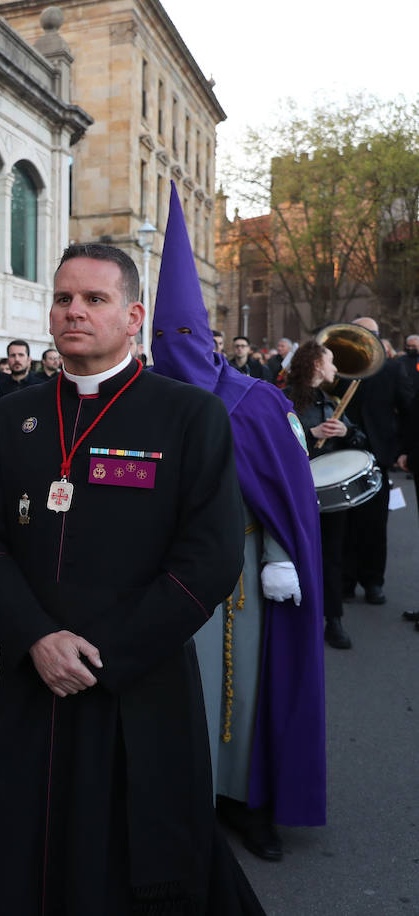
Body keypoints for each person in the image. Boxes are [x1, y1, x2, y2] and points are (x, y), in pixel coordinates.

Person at [0, 243, 263, 914]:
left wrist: (102, 652)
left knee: (141, 866)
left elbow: (210, 560)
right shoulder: (10, 416)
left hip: (140, 682)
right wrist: (38, 637)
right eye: (64, 298)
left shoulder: (189, 416)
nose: (75, 311)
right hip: (34, 678)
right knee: (31, 853)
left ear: (133, 316)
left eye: (94, 299)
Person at [152, 186, 326, 861]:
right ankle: (181, 802)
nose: (177, 350)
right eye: (165, 339)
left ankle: (249, 804)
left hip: (249, 571)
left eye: (186, 337)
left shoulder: (257, 403)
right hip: (165, 573)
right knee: (175, 695)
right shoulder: (148, 400)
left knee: (245, 691)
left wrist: (282, 552)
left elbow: (288, 493)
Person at [286, 340, 361, 650]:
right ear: (316, 364)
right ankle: (295, 621)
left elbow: (359, 438)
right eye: (330, 362)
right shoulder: (284, 398)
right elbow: (271, 436)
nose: (335, 368)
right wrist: (310, 431)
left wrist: (347, 433)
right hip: (297, 489)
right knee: (296, 555)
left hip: (329, 491)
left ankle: (334, 620)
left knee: (331, 556)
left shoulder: (331, 402)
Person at [340, 317, 411, 605]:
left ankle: (373, 582)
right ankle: (344, 581)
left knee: (374, 524)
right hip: (343, 453)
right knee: (344, 523)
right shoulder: (341, 368)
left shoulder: (393, 369)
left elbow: (406, 408)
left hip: (378, 454)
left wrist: (402, 450)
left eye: (371, 334)